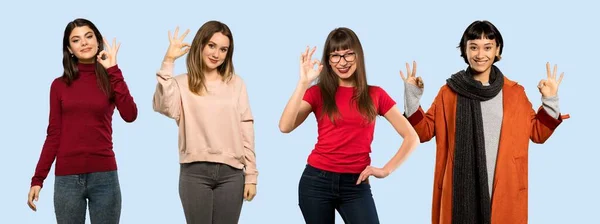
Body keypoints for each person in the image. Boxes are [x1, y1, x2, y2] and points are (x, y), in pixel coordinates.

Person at [400, 20, 568, 224]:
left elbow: (538, 133)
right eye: (473, 47)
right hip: (460, 193)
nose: (480, 55)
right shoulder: (449, 93)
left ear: (497, 50)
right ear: (465, 50)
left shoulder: (515, 93)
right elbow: (424, 132)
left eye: (487, 47)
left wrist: (550, 100)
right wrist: (412, 97)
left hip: (504, 191)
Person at [278, 27, 420, 224]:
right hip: (316, 182)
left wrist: (385, 170)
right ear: (328, 60)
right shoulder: (318, 93)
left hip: (356, 184)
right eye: (335, 56)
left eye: (348, 54)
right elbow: (285, 126)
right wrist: (303, 83)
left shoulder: (376, 94)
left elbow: (412, 137)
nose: (342, 62)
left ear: (358, 56)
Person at [27, 18, 138, 224]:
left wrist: (113, 70)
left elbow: (130, 115)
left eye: (89, 36)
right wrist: (38, 179)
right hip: (67, 179)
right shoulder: (58, 86)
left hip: (105, 176)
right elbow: (54, 135)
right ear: (69, 49)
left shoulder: (110, 78)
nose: (84, 43)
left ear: (97, 41)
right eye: (76, 40)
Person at [152, 21, 257, 224]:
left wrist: (251, 176)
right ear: (200, 45)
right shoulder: (181, 83)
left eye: (223, 49)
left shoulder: (237, 84)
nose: (216, 54)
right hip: (194, 172)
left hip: (232, 174)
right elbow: (163, 106)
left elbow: (247, 129)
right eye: (211, 45)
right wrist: (168, 60)